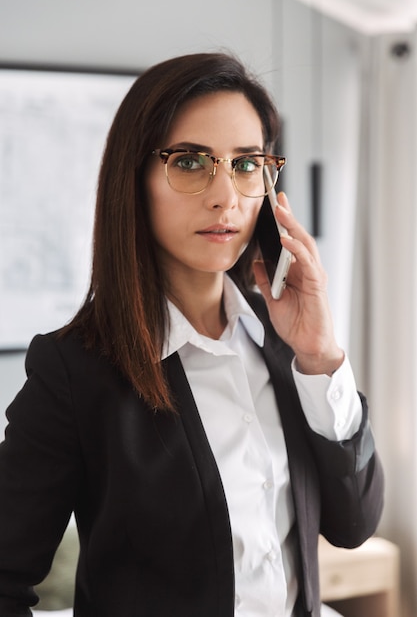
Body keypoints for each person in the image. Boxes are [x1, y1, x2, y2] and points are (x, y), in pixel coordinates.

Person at [0, 52, 383, 617]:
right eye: (190, 161)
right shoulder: (74, 369)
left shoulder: (282, 340)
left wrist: (322, 358)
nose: (225, 196)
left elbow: (353, 525)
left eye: (247, 164)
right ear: (136, 179)